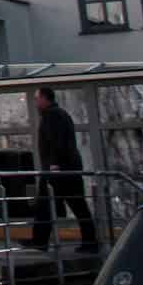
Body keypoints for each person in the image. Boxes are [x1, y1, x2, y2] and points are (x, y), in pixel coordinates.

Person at [31, 86, 100, 252]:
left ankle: (41, 241)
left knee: (58, 204)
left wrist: (54, 164)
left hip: (59, 170)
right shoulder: (58, 114)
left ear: (44, 99)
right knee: (57, 205)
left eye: (37, 99)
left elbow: (57, 141)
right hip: (66, 168)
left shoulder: (53, 115)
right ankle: (40, 240)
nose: (35, 103)